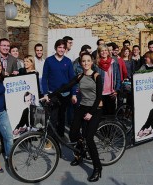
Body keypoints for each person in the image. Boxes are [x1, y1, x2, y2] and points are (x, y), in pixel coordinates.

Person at [48, 52, 103, 182]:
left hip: (96, 108)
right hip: (83, 106)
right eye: (83, 61)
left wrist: (91, 113)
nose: (85, 63)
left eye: (88, 61)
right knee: (73, 133)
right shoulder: (79, 76)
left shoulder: (97, 76)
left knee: (89, 138)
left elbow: (99, 96)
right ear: (80, 63)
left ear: (92, 62)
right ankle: (80, 154)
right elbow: (66, 86)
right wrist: (49, 96)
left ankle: (97, 168)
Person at [42, 39, 76, 139]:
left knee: (62, 117)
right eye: (59, 47)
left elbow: (72, 79)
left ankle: (60, 137)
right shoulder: (49, 60)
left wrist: (73, 93)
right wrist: (45, 93)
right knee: (52, 117)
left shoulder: (68, 61)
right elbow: (44, 78)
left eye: (63, 48)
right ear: (56, 48)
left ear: (65, 49)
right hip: (53, 94)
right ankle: (50, 139)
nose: (61, 49)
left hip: (65, 94)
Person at [95, 44, 121, 115]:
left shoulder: (113, 63)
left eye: (105, 50)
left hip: (111, 93)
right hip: (100, 93)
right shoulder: (96, 64)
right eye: (102, 51)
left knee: (111, 115)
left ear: (108, 51)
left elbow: (118, 77)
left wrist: (117, 90)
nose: (104, 52)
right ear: (99, 52)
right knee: (101, 115)